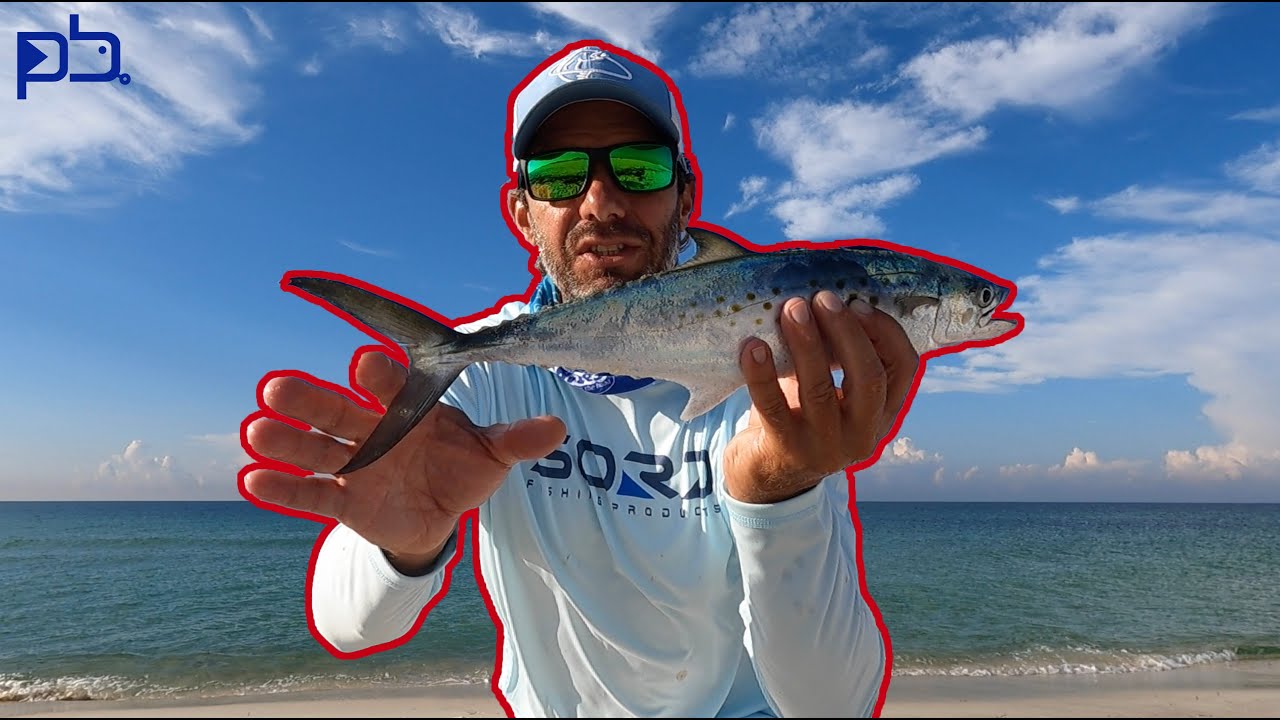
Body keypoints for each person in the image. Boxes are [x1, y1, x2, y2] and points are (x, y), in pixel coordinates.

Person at [241, 40, 920, 718]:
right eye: (560, 174)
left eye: (639, 167)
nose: (601, 200)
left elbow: (833, 706)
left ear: (684, 196)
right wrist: (406, 544)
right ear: (522, 214)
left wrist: (780, 494)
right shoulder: (483, 382)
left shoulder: (774, 379)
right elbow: (348, 625)